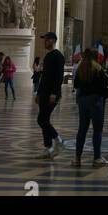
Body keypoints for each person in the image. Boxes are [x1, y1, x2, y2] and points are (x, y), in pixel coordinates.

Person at [72, 47, 108, 168]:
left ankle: (77, 158)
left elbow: (76, 84)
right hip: (96, 101)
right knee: (97, 130)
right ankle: (97, 157)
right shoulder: (98, 68)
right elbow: (106, 83)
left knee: (82, 129)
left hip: (83, 100)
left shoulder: (80, 68)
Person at [36, 31, 66, 159]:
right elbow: (44, 77)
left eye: (47, 39)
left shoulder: (58, 56)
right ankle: (48, 148)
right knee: (44, 119)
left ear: (53, 40)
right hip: (44, 93)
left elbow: (59, 77)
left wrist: (54, 93)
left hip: (52, 94)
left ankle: (58, 141)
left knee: (41, 119)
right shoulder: (48, 56)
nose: (44, 41)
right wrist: (38, 93)